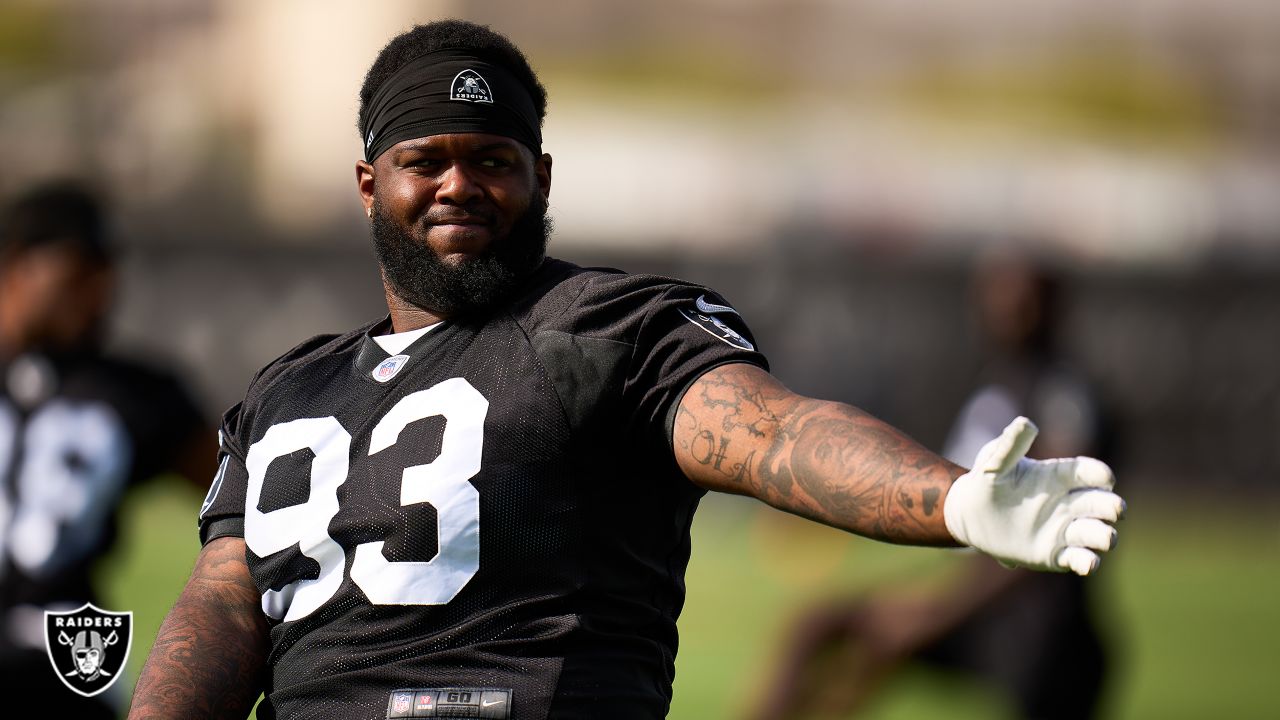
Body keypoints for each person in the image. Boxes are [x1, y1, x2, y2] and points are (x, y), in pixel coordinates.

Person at [127, 20, 1125, 720]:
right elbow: (220, 605)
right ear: (367, 184)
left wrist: (949, 502)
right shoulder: (284, 392)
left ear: (540, 178)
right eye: (424, 159)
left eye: (494, 159)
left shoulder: (603, 329)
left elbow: (768, 432)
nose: (459, 185)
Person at [750, 257, 1114, 720]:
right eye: (996, 295)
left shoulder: (1065, 395)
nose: (1004, 309)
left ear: (1052, 305)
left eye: (1020, 298)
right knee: (822, 624)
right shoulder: (996, 383)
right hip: (972, 604)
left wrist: (933, 616)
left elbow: (1044, 524)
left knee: (885, 641)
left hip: (1038, 626)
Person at [0, 181, 215, 717]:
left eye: (106, 270)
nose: (101, 290)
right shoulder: (126, 392)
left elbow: (244, 502)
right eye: (80, 268)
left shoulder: (136, 393)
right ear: (16, 266)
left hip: (61, 651)